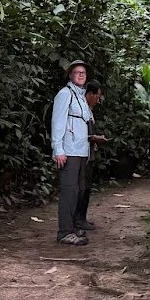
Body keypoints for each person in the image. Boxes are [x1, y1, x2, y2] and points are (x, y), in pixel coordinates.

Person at [51, 60, 93, 245]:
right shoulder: (65, 94)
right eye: (77, 72)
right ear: (70, 75)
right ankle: (65, 232)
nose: (81, 75)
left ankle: (73, 226)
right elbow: (58, 122)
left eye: (83, 72)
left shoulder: (81, 96)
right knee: (69, 191)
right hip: (69, 150)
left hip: (81, 150)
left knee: (78, 190)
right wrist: (58, 149)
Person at [76, 80, 107, 234]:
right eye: (97, 96)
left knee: (86, 187)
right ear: (90, 94)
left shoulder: (88, 110)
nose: (98, 100)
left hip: (89, 153)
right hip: (83, 154)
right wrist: (94, 138)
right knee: (83, 187)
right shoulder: (82, 110)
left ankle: (82, 217)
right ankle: (79, 219)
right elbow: (83, 134)